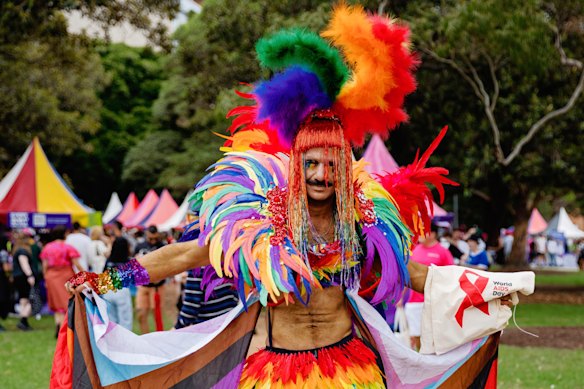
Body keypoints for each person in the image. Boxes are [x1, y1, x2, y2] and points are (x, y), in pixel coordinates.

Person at [61, 5, 517, 388]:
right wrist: (107, 281)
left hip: (351, 368)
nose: (321, 175)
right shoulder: (261, 221)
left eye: (332, 165)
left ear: (345, 169)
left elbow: (417, 274)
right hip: (276, 367)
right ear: (296, 164)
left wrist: (484, 290)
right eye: (311, 164)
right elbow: (185, 255)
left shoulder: (360, 224)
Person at [405, 224, 454, 350]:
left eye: (423, 231)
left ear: (433, 234)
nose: (419, 234)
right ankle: (421, 359)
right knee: (416, 334)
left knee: (433, 335)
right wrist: (401, 296)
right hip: (414, 301)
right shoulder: (415, 250)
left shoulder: (443, 252)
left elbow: (451, 276)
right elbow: (408, 273)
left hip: (434, 301)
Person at [41, 225, 84, 337]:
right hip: (66, 275)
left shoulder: (47, 247)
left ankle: (58, 324)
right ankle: (64, 328)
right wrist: (84, 274)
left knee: (56, 303)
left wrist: (46, 278)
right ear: (64, 234)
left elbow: (44, 266)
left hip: (51, 276)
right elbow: (76, 263)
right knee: (67, 302)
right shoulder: (68, 247)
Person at [134, 225, 166, 333]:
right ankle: (145, 339)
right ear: (146, 235)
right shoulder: (140, 246)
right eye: (150, 238)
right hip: (143, 286)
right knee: (141, 314)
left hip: (157, 287)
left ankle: (159, 337)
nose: (153, 241)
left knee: (156, 314)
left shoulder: (162, 246)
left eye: (155, 238)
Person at [102, 221, 133, 331]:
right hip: (120, 285)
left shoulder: (110, 260)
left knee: (112, 319)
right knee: (124, 320)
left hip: (111, 286)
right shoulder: (126, 262)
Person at [11, 231, 36, 331]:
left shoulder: (17, 250)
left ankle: (23, 321)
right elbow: (24, 264)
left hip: (18, 277)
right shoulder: (22, 251)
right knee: (32, 299)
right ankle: (23, 319)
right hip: (24, 277)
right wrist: (30, 276)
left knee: (23, 298)